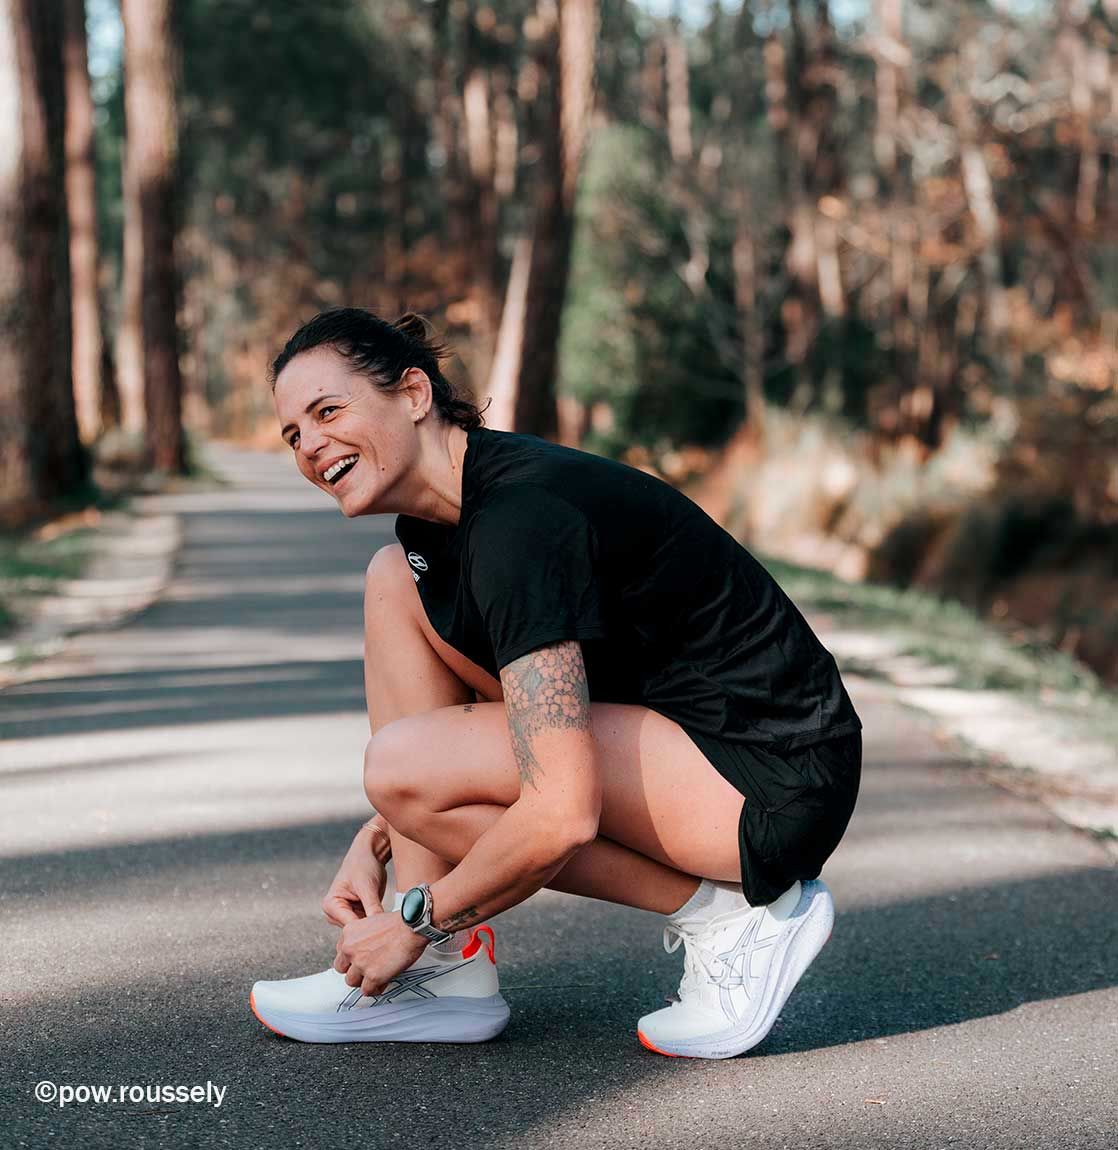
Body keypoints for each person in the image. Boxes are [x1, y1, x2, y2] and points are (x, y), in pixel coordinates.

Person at [250, 307, 862, 1059]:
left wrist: (414, 921)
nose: (311, 446)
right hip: (688, 743)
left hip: (771, 783)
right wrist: (383, 834)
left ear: (413, 394)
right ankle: (444, 976)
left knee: (403, 766)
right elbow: (517, 715)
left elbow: (561, 812)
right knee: (394, 584)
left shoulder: (518, 522)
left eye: (328, 412)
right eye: (293, 434)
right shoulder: (443, 524)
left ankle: (732, 920)